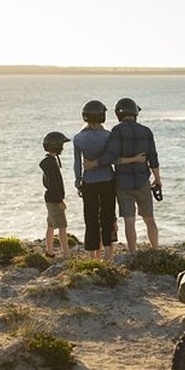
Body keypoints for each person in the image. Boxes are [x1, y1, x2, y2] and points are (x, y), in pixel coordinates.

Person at [89, 97, 161, 251]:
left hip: (123, 183)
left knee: (130, 221)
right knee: (149, 219)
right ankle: (155, 250)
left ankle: (132, 252)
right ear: (135, 113)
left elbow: (110, 157)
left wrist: (93, 164)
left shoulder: (117, 131)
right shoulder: (146, 131)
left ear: (118, 114)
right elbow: (153, 158)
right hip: (143, 181)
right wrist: (158, 179)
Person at [72, 100, 117, 261]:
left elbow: (77, 163)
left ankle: (93, 256)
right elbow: (112, 158)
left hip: (88, 182)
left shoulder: (78, 138)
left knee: (90, 218)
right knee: (108, 216)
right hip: (107, 180)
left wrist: (78, 182)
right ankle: (109, 255)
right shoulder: (108, 135)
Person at [40, 131, 72, 258]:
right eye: (61, 145)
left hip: (50, 198)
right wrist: (60, 201)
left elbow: (47, 183)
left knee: (51, 225)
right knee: (62, 226)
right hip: (54, 200)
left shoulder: (50, 162)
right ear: (56, 146)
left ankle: (49, 250)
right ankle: (66, 253)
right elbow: (53, 184)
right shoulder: (51, 164)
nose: (62, 148)